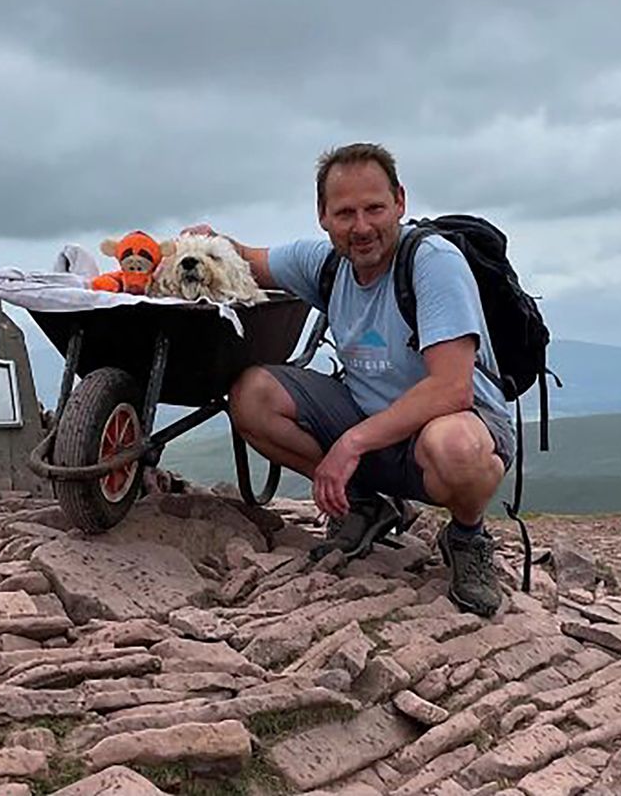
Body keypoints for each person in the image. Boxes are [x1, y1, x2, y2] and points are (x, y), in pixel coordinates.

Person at [188, 143, 515, 617]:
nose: (361, 227)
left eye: (375, 208)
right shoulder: (323, 263)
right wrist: (203, 242)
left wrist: (351, 444)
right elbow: (244, 258)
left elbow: (451, 389)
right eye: (345, 213)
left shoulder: (433, 262)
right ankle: (363, 505)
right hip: (372, 423)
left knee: (457, 448)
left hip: (453, 425)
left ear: (400, 202)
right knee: (251, 396)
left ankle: (467, 536)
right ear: (323, 216)